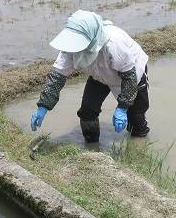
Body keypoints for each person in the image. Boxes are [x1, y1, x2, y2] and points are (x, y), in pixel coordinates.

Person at [30, 10, 150, 143]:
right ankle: (92, 146)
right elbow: (57, 77)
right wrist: (43, 106)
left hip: (130, 74)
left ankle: (139, 144)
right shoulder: (70, 47)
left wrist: (122, 107)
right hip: (99, 75)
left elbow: (129, 77)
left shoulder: (114, 44)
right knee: (87, 111)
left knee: (135, 116)